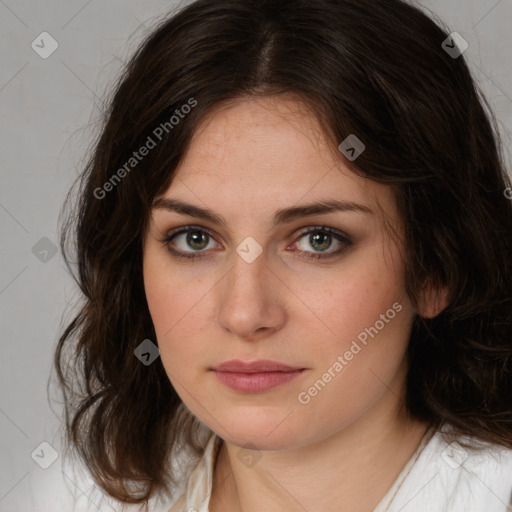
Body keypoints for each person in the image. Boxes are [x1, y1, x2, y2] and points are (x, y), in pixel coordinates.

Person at [55, 0, 512, 511]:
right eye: (195, 239)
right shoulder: (73, 497)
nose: (245, 314)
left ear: (436, 267)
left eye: (319, 239)